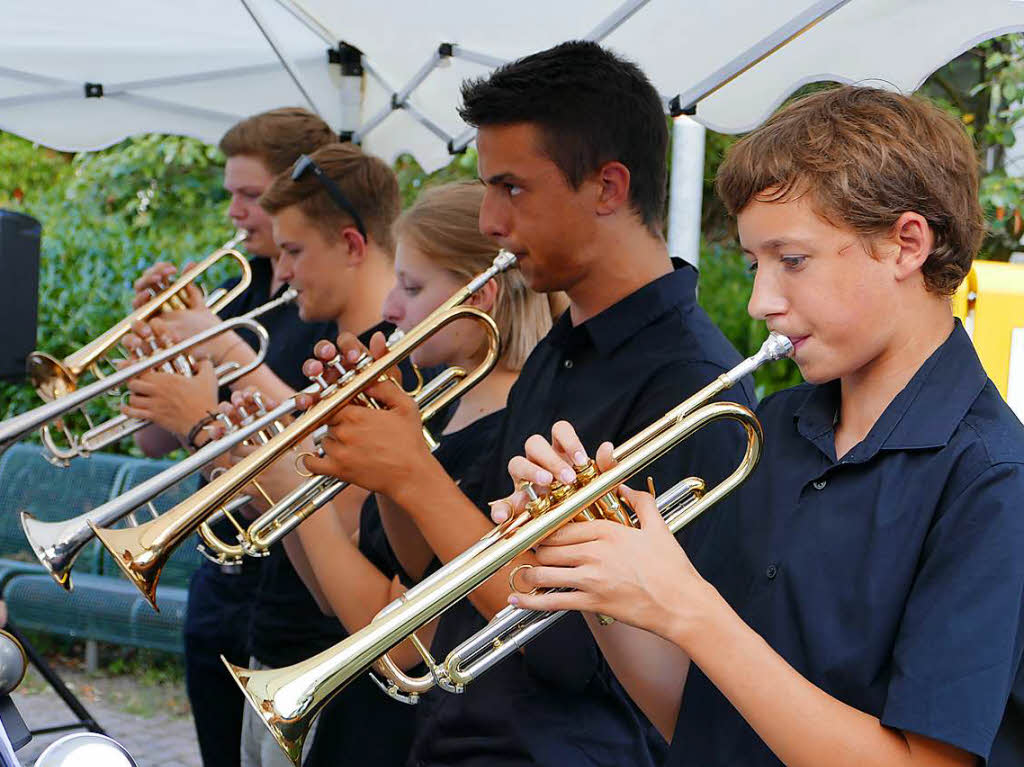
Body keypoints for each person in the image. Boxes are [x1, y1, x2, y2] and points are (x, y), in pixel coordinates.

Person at [502, 85, 1024, 766]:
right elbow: (696, 712)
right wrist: (598, 571)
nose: (760, 301)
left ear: (906, 244)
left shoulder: (993, 479)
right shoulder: (774, 427)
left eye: (792, 260)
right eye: (755, 264)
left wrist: (691, 607)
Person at [296, 40, 754, 766]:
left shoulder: (693, 383)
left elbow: (578, 650)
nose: (488, 221)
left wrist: (416, 474)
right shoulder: (563, 343)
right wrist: (391, 459)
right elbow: (442, 570)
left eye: (511, 188)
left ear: (607, 188)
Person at [229, 180, 556, 764]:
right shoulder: (449, 405)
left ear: (478, 299)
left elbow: (400, 640)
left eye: (411, 286)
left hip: (406, 722)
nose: (391, 309)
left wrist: (290, 483)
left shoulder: (513, 427)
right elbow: (359, 572)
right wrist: (273, 493)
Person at [121, 108, 336, 767]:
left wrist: (214, 343)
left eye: (250, 195)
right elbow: (153, 441)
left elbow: (305, 444)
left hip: (293, 585)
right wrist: (152, 342)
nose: (236, 213)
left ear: (298, 194)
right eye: (231, 195)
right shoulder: (231, 297)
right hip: (221, 578)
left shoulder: (322, 307)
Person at [234, 140, 413, 767]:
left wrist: (279, 477)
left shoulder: (397, 370)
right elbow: (307, 537)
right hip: (278, 643)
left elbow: (347, 539)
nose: (279, 273)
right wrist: (242, 468)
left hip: (340, 673)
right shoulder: (326, 352)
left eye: (293, 252)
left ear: (352, 245)